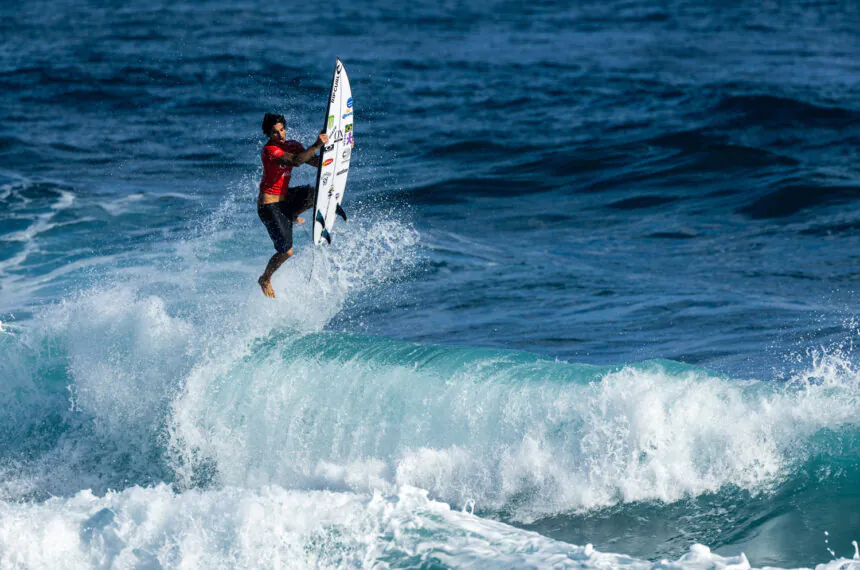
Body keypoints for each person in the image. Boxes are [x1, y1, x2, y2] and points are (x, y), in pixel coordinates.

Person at [256, 113, 328, 298]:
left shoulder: (292, 145)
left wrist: (337, 148)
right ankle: (265, 278)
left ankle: (292, 214)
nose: (280, 135)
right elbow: (296, 161)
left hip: (285, 200)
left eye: (282, 130)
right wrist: (317, 144)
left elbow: (313, 161)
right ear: (268, 135)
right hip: (269, 207)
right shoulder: (270, 151)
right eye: (274, 133)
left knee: (313, 193)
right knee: (287, 251)